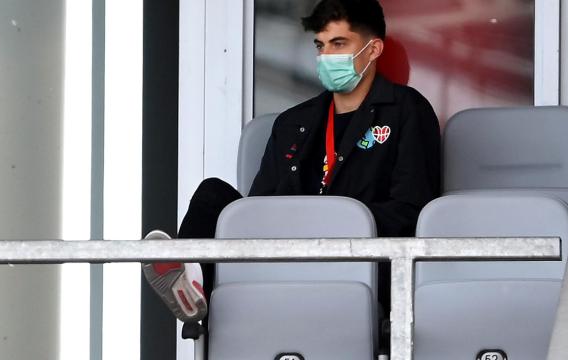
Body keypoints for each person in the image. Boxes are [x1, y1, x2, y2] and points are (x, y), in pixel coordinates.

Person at [143, 0, 440, 328]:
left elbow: (412, 210)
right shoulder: (293, 121)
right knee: (212, 194)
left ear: (373, 50)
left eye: (339, 44)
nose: (327, 56)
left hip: (360, 263)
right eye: (320, 45)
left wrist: (335, 220)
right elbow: (254, 212)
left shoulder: (406, 110)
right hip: (285, 254)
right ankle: (194, 282)